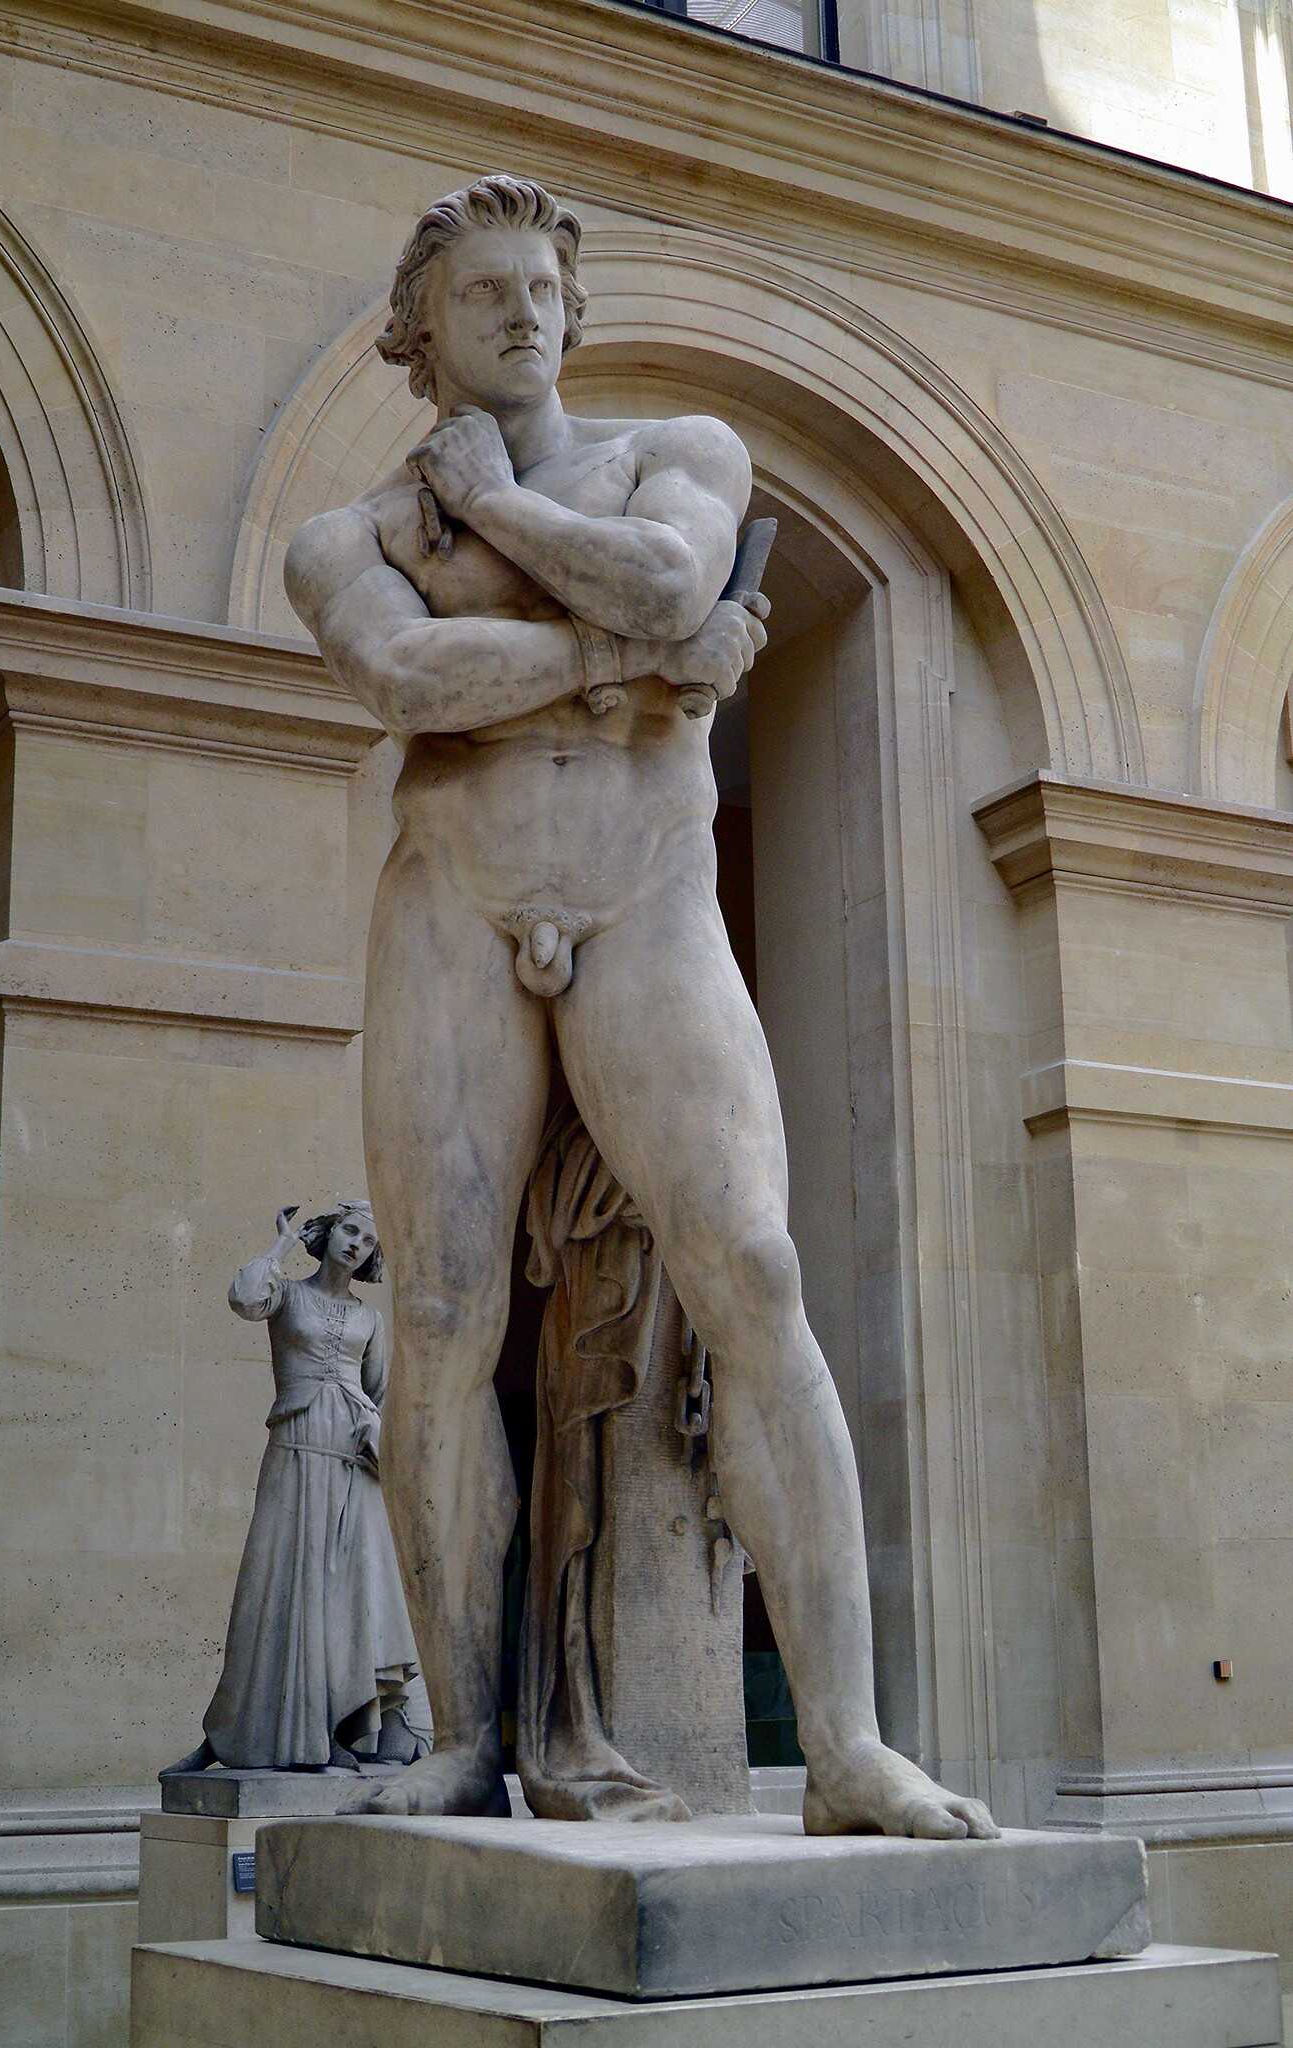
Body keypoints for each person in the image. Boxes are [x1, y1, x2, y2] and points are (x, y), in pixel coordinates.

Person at [284, 174, 996, 1840]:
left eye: (541, 287)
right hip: (454, 898)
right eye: (481, 295)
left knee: (749, 1260)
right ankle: (466, 1733)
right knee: (446, 1319)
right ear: (419, 333)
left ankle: (843, 1746)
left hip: (646, 884)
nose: (521, 312)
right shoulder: (348, 540)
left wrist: (516, 534)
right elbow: (407, 682)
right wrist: (622, 664)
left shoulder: (681, 449)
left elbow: (679, 585)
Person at [162, 1201, 429, 1775]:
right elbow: (245, 1298)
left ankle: (332, 1727)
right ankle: (246, 1730)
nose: (356, 1243)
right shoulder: (287, 1295)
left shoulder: (369, 1320)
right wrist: (281, 1244)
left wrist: (377, 1435)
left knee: (348, 1596)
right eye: (350, 1231)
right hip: (295, 1450)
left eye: (367, 1240)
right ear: (329, 1233)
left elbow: (381, 1392)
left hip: (352, 1465)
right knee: (277, 1584)